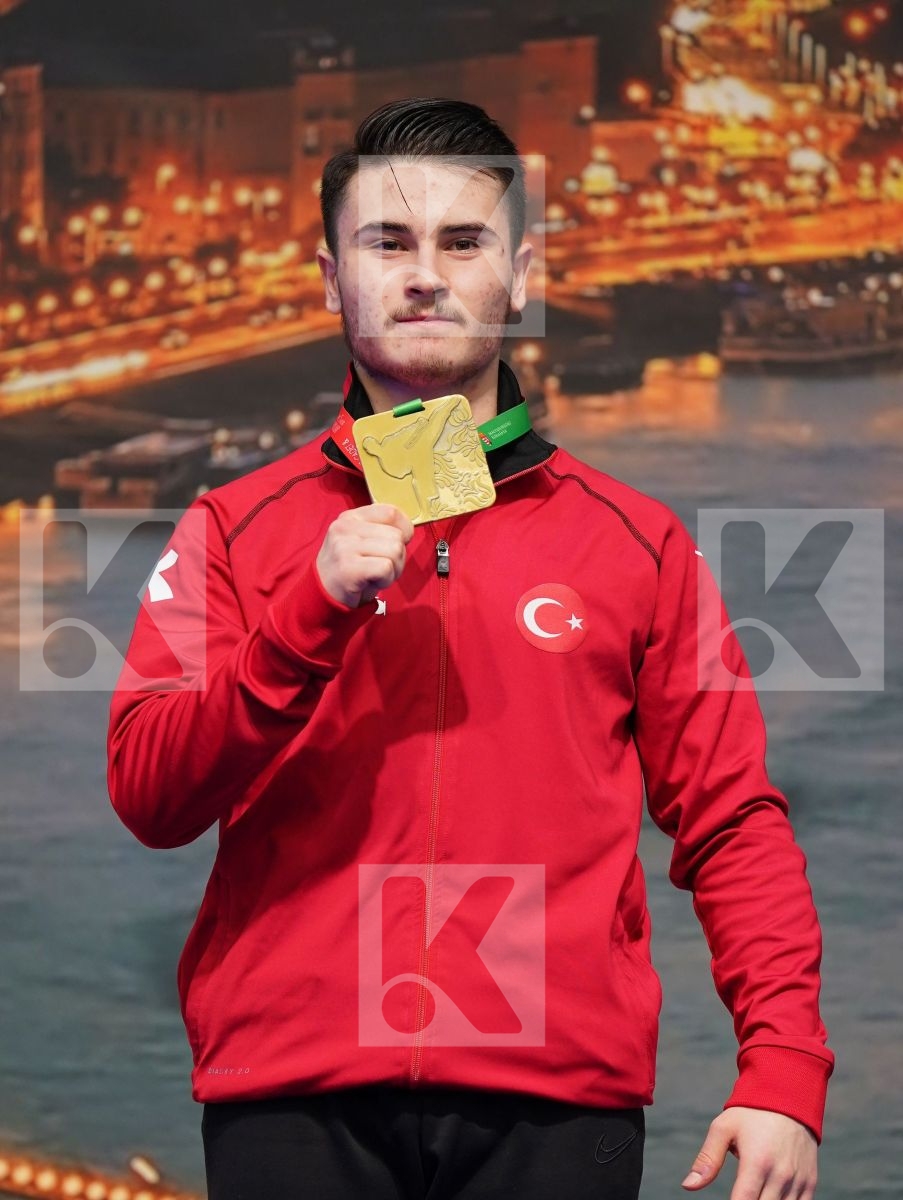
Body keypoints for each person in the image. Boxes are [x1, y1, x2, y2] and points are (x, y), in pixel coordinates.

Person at [107, 97, 834, 1200]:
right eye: (387, 243)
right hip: (293, 1095)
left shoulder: (635, 543)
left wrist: (781, 1070)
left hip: (556, 1096)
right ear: (329, 278)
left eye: (464, 241)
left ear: (522, 272)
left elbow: (733, 820)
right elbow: (151, 795)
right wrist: (306, 613)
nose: (425, 274)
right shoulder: (232, 527)